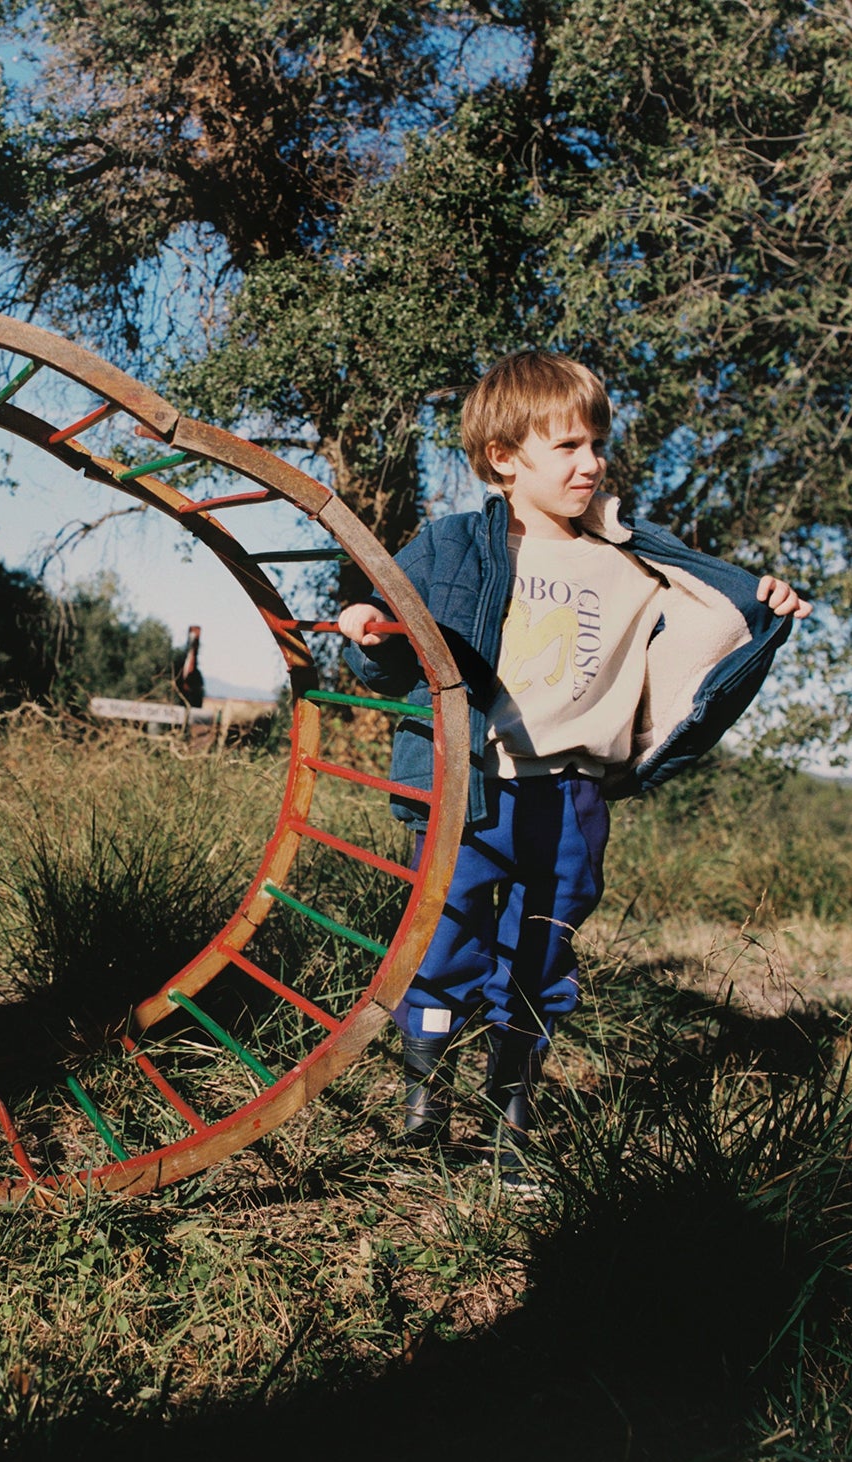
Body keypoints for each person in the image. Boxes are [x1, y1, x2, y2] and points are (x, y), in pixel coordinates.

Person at [339, 352, 809, 1187]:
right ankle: (424, 1115)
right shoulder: (453, 546)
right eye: (567, 446)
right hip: (471, 786)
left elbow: (718, 614)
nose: (591, 462)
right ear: (504, 458)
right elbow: (390, 651)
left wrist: (761, 602)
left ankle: (510, 1122)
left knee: (541, 952)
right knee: (442, 939)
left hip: (573, 793)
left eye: (597, 443)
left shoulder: (629, 563)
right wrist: (368, 630)